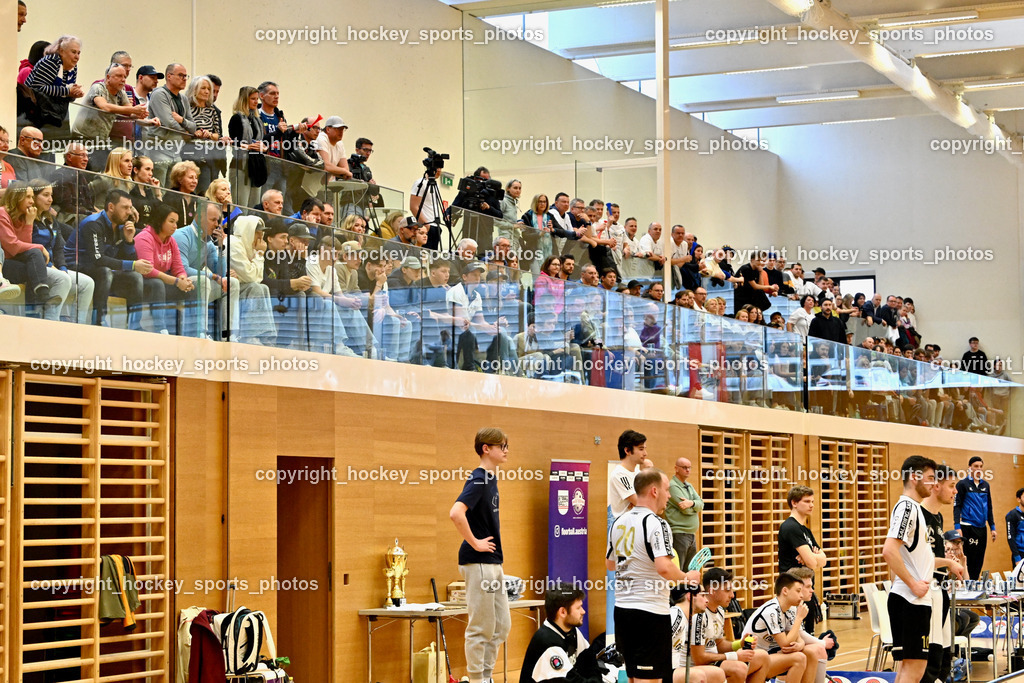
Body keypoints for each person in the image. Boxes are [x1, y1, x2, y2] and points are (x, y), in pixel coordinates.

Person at [607, 468, 700, 683]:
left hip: (622, 612)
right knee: (651, 680)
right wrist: (688, 577)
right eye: (667, 490)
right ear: (654, 491)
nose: (669, 495)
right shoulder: (657, 523)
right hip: (649, 613)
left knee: (633, 677)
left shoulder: (618, 522)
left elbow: (610, 564)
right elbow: (664, 568)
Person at [449, 428, 513, 683]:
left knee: (501, 626)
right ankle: (477, 679)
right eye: (501, 446)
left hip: (493, 562)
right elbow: (456, 513)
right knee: (481, 626)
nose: (506, 450)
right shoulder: (478, 479)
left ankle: (485, 676)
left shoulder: (491, 479)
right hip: (478, 562)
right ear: (486, 448)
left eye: (507, 445)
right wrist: (474, 542)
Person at [65, 188, 157, 329]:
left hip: (100, 270)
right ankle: (99, 321)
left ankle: (134, 325)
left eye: (130, 208)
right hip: (77, 267)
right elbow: (98, 259)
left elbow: (127, 259)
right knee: (105, 272)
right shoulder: (94, 224)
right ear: (111, 207)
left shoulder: (122, 227)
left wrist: (128, 241)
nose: (129, 212)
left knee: (135, 277)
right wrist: (133, 264)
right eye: (125, 207)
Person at [882, 455, 937, 683]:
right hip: (910, 601)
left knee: (908, 670)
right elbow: (889, 551)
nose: (934, 484)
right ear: (915, 477)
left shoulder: (914, 508)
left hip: (910, 601)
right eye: (931, 478)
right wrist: (913, 584)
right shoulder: (907, 508)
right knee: (914, 671)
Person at [920, 464, 967, 683]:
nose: (955, 491)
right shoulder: (919, 515)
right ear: (936, 486)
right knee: (928, 657)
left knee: (943, 653)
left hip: (939, 590)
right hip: (923, 593)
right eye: (952, 485)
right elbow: (918, 559)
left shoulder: (937, 517)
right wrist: (949, 562)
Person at [0, 181, 72, 318]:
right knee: (35, 253)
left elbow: (24, 245)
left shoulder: (23, 216)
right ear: (16, 197)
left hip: (17, 262)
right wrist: (40, 247)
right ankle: (40, 301)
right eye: (27, 197)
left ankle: (36, 309)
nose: (31, 201)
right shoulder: (2, 213)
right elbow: (13, 247)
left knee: (33, 264)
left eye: (32, 197)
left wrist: (28, 222)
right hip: (4, 265)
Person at [29, 178, 93, 324]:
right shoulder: (27, 218)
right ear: (33, 196)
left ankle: (78, 324)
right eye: (45, 195)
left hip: (54, 267)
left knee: (87, 283)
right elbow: (27, 245)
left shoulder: (50, 219)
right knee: (63, 279)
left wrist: (63, 268)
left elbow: (58, 248)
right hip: (37, 267)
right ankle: (51, 322)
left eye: (51, 195)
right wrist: (55, 269)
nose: (50, 199)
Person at [692, 567, 771, 683]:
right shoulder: (698, 616)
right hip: (698, 666)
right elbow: (699, 659)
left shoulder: (719, 611)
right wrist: (734, 656)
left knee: (762, 657)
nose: (732, 595)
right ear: (712, 591)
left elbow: (719, 644)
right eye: (727, 590)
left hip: (715, 662)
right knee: (739, 669)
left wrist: (740, 643)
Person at [133, 202, 197, 334]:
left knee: (192, 287)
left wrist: (183, 279)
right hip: (141, 282)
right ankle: (160, 329)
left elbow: (178, 267)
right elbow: (148, 271)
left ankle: (190, 331)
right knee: (158, 284)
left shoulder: (171, 241)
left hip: (162, 282)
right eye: (171, 221)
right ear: (160, 220)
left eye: (176, 222)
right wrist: (176, 282)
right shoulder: (144, 238)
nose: (175, 226)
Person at [519, 584, 604, 683]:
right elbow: (572, 681)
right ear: (562, 612)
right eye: (578, 608)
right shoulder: (548, 642)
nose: (583, 611)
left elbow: (590, 661)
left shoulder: (572, 631)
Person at [741, 574, 812, 683]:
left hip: (769, 654)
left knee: (809, 652)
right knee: (799, 658)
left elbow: (796, 636)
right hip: (753, 658)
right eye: (798, 591)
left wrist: (800, 644)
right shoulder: (771, 611)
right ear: (785, 591)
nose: (801, 596)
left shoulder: (789, 609)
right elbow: (785, 644)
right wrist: (799, 618)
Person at [25, 35, 84, 135]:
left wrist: (74, 94)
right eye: (73, 52)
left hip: (57, 115)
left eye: (78, 53)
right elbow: (37, 87)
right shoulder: (51, 61)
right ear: (61, 51)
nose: (77, 57)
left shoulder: (73, 67)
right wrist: (68, 91)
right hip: (36, 116)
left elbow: (65, 94)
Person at [670, 586, 727, 683]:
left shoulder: (685, 618)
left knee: (717, 674)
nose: (706, 600)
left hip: (674, 669)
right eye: (703, 595)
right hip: (662, 670)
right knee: (698, 676)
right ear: (690, 596)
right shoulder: (676, 615)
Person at [953, 456, 995, 579]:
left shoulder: (986, 485)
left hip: (982, 529)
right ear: (970, 468)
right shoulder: (962, 484)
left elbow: (989, 507)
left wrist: (992, 527)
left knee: (979, 559)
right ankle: (966, 584)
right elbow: (957, 506)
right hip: (968, 526)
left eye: (981, 467)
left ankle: (974, 584)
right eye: (976, 466)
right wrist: (957, 526)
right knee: (968, 559)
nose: (978, 469)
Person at [227, 86, 266, 209]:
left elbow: (263, 141)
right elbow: (234, 142)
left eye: (257, 99)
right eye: (253, 99)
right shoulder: (236, 119)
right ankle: (233, 227)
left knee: (253, 207)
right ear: (244, 100)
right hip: (241, 164)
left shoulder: (257, 120)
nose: (256, 102)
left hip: (256, 165)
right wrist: (249, 146)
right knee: (240, 207)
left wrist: (263, 147)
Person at [667, 457, 703, 569]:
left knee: (689, 570)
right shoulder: (672, 486)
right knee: (679, 570)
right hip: (679, 534)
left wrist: (691, 503)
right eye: (684, 467)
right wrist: (693, 505)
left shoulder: (689, 486)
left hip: (691, 534)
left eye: (689, 467)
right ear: (676, 468)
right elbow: (685, 510)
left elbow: (701, 504)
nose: (687, 470)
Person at [609, 429, 650, 519]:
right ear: (627, 450)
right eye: (641, 449)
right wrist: (639, 502)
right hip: (624, 528)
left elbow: (647, 499)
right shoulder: (619, 474)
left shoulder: (638, 473)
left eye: (645, 449)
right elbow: (642, 503)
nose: (645, 453)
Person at [1007, 488, 1024, 565]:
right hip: (1020, 553)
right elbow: (1010, 537)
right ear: (1018, 499)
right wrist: (1017, 557)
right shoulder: (1012, 515)